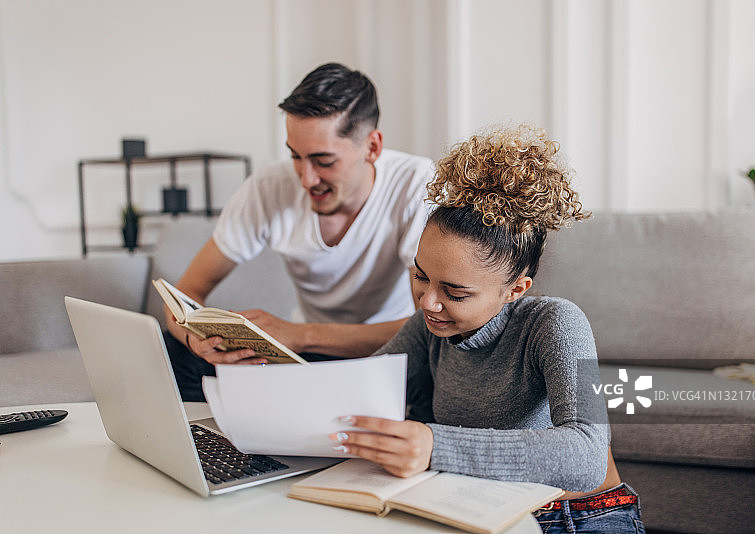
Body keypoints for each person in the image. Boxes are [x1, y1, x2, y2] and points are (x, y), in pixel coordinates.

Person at [328, 124, 644, 533]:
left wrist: (434, 446)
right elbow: (358, 388)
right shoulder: (429, 328)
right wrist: (264, 366)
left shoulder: (557, 323)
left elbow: (586, 456)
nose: (427, 302)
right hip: (476, 508)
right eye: (421, 277)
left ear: (515, 290)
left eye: (455, 293)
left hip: (579, 516)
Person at [165, 63, 433, 401]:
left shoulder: (416, 183)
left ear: (372, 147)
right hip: (306, 356)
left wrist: (300, 334)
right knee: (171, 350)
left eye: (324, 161)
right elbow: (186, 294)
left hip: (389, 351)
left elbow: (427, 327)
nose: (306, 179)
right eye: (296, 156)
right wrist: (197, 342)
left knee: (432, 367)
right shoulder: (269, 186)